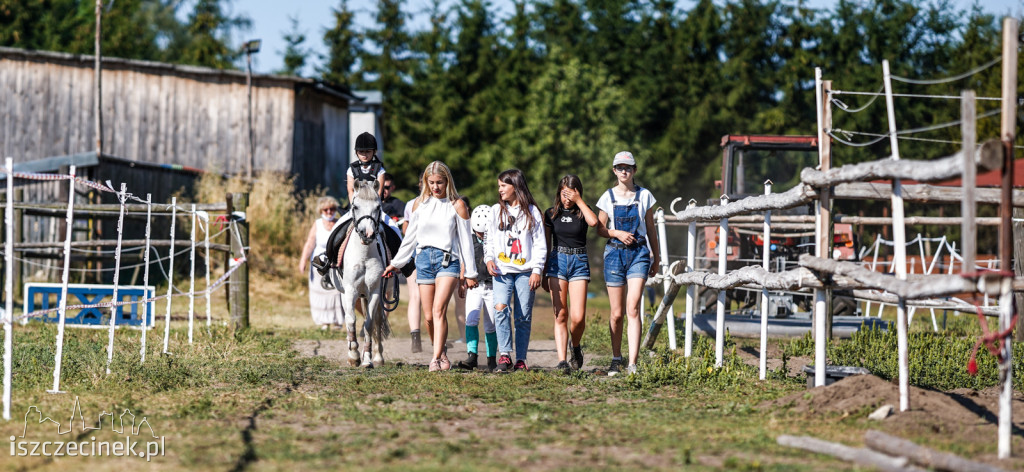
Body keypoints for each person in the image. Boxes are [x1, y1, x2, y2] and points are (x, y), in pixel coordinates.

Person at [384, 161, 477, 372]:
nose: (435, 187)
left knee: (438, 309)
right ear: (426, 182)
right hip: (424, 260)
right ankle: (442, 352)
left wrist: (469, 272)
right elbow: (410, 238)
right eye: (431, 182)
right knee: (428, 317)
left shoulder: (457, 205)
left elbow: (466, 242)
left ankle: (435, 358)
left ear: (447, 181)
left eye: (440, 182)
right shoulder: (419, 204)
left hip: (448, 261)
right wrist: (396, 263)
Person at [596, 151, 660, 376]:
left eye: (628, 167)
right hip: (614, 254)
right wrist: (617, 233)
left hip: (639, 254)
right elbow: (600, 228)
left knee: (633, 308)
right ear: (614, 170)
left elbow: (651, 228)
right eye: (620, 167)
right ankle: (616, 358)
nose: (624, 171)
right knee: (616, 313)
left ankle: (632, 363)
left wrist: (657, 257)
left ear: (634, 170)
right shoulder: (607, 197)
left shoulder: (645, 196)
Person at [484, 169, 546, 373]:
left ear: (516, 186)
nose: (499, 189)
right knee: (500, 308)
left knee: (523, 316)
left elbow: (539, 244)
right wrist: (489, 259)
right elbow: (489, 239)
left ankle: (521, 359)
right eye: (499, 185)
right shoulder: (495, 211)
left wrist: (537, 269)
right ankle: (505, 355)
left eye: (503, 185)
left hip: (526, 271)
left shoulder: (532, 212)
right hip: (502, 271)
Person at [543, 175, 598, 372]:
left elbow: (594, 223)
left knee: (578, 317)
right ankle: (561, 361)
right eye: (563, 193)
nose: (566, 197)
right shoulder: (550, 214)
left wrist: (578, 200)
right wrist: (543, 273)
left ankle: (575, 346)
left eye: (571, 193)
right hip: (557, 262)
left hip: (579, 262)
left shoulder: (583, 211)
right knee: (561, 314)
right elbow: (546, 244)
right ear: (558, 192)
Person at [456, 204, 498, 371]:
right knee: (471, 319)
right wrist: (461, 281)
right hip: (474, 286)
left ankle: (492, 359)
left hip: (493, 286)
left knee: (491, 324)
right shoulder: (469, 239)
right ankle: (472, 356)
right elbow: (463, 261)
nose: (481, 235)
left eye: (484, 232)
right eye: (478, 231)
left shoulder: (495, 239)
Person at [298, 197, 345, 329]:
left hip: (336, 265)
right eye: (326, 209)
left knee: (337, 293)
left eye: (332, 209)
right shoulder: (317, 224)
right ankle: (324, 322)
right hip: (319, 264)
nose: (329, 212)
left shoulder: (340, 223)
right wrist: (303, 260)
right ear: (321, 210)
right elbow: (310, 243)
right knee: (320, 292)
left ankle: (337, 322)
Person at [346, 131, 386, 199]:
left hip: (374, 203)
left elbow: (379, 193)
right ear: (356, 152)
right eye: (361, 152)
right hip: (357, 205)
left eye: (368, 151)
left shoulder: (380, 169)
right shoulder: (351, 170)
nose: (364, 155)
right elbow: (351, 191)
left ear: (374, 151)